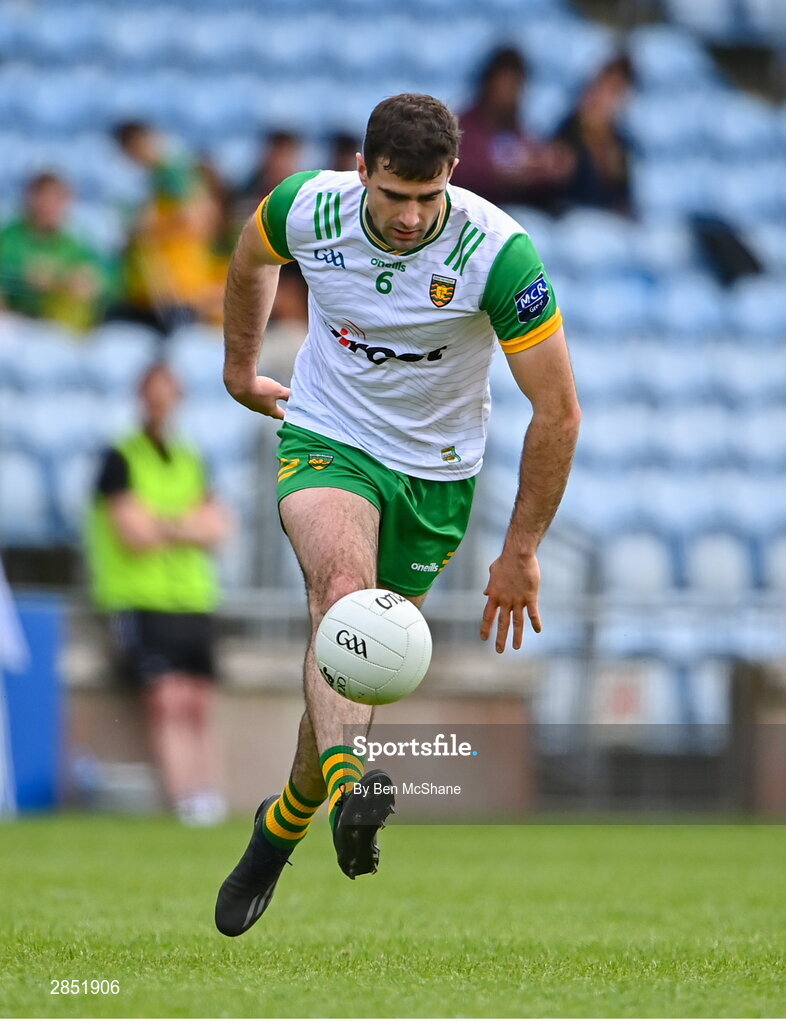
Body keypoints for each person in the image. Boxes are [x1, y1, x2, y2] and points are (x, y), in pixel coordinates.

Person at [215, 93, 580, 935]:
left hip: (437, 472)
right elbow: (249, 256)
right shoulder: (308, 206)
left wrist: (522, 550)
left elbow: (558, 412)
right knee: (343, 600)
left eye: (429, 196)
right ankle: (353, 783)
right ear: (361, 170)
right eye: (394, 196)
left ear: (452, 175)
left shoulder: (499, 256)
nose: (412, 216)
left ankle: (282, 825)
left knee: (365, 661)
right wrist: (240, 369)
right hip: (329, 434)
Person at [86, 363, 230, 825]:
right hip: (140, 597)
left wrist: (163, 523)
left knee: (198, 701)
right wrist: (186, 524)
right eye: (154, 393)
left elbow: (219, 527)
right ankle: (183, 796)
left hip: (192, 597)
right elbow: (133, 534)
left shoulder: (192, 457)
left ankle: (207, 794)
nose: (161, 402)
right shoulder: (119, 456)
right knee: (166, 698)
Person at [111, 122, 226, 331]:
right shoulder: (158, 179)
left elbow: (195, 216)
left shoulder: (171, 172)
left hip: (180, 286)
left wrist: (151, 227)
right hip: (162, 287)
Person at [451, 48, 570, 210]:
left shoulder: (522, 133)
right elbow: (457, 176)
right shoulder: (461, 128)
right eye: (504, 84)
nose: (509, 94)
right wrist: (500, 177)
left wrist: (550, 170)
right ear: (488, 84)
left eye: (516, 85)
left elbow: (537, 179)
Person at [0, 172, 110, 330]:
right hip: (13, 324)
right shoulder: (9, 237)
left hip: (57, 329)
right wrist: (23, 277)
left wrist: (91, 281)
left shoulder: (73, 244)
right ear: (30, 198)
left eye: (56, 199)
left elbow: (109, 277)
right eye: (42, 197)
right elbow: (8, 272)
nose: (48, 205)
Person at [551, 56, 634, 214]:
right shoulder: (569, 129)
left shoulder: (621, 143)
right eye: (603, 88)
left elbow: (623, 201)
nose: (605, 98)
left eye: (615, 92)